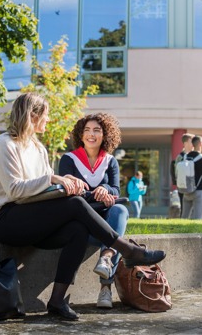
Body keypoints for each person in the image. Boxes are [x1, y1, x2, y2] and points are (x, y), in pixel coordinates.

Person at [0, 93, 166, 321]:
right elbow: (15, 191)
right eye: (46, 116)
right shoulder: (5, 144)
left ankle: (57, 300)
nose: (48, 120)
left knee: (77, 229)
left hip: (32, 218)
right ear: (33, 115)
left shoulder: (38, 148)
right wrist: (54, 179)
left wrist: (65, 187)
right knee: (76, 205)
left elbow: (40, 191)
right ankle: (127, 250)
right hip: (5, 220)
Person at [58, 112, 129, 309]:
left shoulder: (110, 161)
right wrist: (95, 194)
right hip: (80, 224)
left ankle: (105, 271)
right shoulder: (69, 159)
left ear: (105, 135)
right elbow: (66, 191)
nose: (92, 134)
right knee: (114, 232)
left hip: (106, 220)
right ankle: (107, 284)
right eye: (87, 130)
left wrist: (105, 189)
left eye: (97, 130)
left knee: (120, 211)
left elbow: (116, 189)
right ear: (81, 135)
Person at [181, 136, 202, 219]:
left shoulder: (185, 157)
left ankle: (181, 231)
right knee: (197, 218)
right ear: (201, 144)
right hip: (198, 191)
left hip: (186, 191)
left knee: (184, 217)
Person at [170, 133, 195, 217]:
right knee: (184, 207)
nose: (194, 143)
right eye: (192, 141)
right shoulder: (180, 157)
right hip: (183, 185)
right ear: (186, 143)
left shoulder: (195, 155)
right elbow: (177, 172)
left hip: (194, 185)